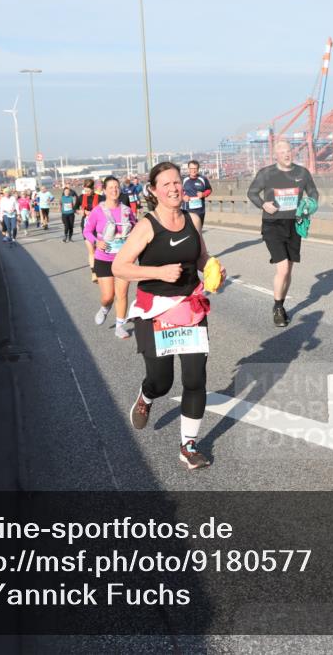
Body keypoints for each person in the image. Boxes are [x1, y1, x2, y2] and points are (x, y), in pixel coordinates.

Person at [113, 162, 224, 470]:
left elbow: (201, 256)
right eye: (167, 184)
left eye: (177, 182)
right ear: (153, 191)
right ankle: (147, 397)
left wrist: (214, 268)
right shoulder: (147, 226)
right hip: (155, 311)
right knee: (162, 381)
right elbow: (119, 266)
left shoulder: (192, 220)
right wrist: (158, 271)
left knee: (194, 379)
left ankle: (188, 446)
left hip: (190, 306)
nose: (175, 188)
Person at [246, 139, 319, 327]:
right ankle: (278, 308)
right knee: (283, 267)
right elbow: (252, 193)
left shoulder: (302, 173)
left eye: (289, 151)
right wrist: (263, 204)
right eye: (282, 152)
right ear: (276, 155)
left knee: (288, 271)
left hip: (295, 224)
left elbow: (313, 192)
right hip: (273, 224)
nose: (287, 154)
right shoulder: (267, 174)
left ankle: (280, 303)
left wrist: (309, 205)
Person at [84, 176, 137, 339]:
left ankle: (120, 326)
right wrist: (96, 242)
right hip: (104, 258)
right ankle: (104, 308)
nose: (114, 190)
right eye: (111, 187)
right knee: (108, 296)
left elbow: (137, 230)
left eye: (117, 187)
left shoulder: (127, 211)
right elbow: (87, 231)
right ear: (104, 190)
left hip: (123, 260)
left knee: (122, 294)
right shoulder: (97, 211)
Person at [78, 179, 99, 283]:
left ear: (92, 188)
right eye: (85, 190)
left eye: (88, 190)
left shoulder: (100, 198)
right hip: (86, 226)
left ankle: (102, 271)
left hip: (98, 227)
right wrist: (82, 211)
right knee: (91, 251)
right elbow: (75, 209)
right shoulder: (81, 197)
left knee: (98, 251)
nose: (87, 192)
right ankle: (94, 273)